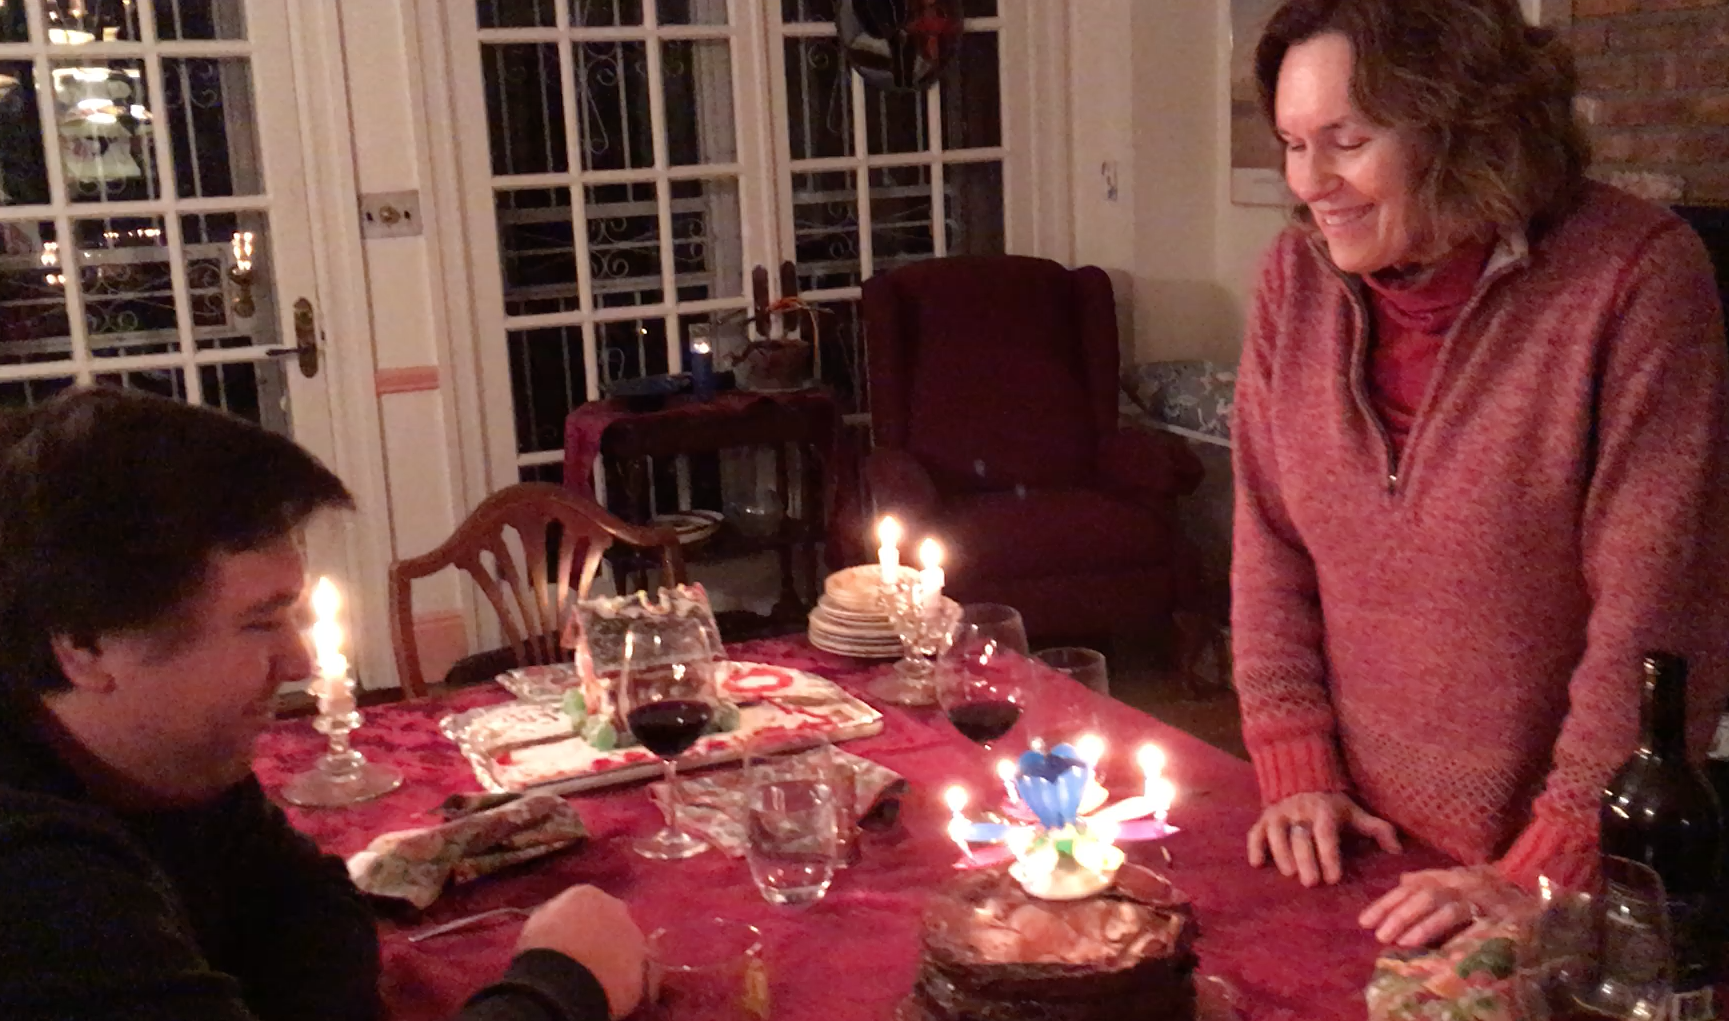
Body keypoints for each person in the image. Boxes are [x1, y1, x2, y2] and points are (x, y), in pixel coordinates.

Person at [1233, 0, 1729, 949]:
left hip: (1553, 864)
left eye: (1345, 140)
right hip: (1356, 837)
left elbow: (1657, 610)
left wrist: (1559, 856)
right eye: (1293, 144)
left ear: (1465, 128)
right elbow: (1268, 540)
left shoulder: (1635, 279)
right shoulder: (1292, 281)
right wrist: (1295, 760)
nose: (1309, 183)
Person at [0, 388, 645, 1021]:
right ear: (86, 646)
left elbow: (312, 902)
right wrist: (560, 988)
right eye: (260, 622)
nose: (302, 663)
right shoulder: (30, 881)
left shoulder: (165, 764)